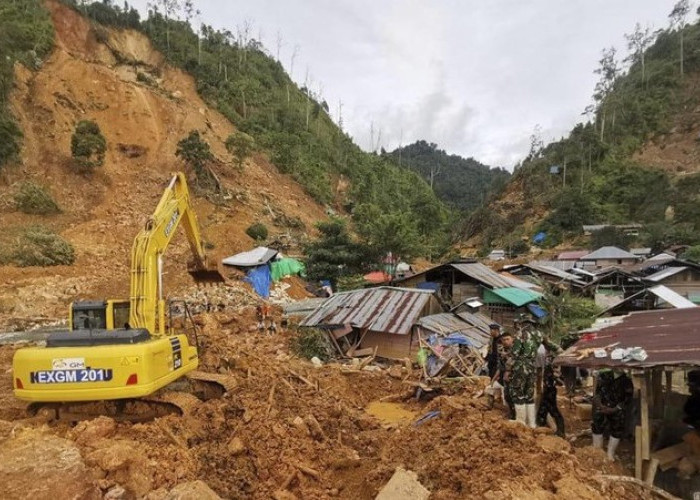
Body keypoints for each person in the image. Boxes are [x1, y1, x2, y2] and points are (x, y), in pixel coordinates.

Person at [507, 318, 544, 427]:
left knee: (518, 392)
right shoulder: (539, 335)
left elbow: (515, 352)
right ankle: (531, 423)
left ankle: (521, 422)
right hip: (531, 366)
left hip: (520, 366)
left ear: (523, 323)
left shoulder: (521, 334)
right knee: (529, 394)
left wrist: (509, 367)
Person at [591, 369, 633, 460]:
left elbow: (627, 399)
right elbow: (597, 393)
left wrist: (614, 409)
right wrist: (601, 406)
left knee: (617, 428)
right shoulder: (604, 375)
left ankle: (610, 453)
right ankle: (597, 451)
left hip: (616, 409)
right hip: (602, 406)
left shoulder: (627, 381)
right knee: (597, 424)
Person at [536, 348, 565, 437]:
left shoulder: (552, 359)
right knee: (542, 411)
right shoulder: (546, 359)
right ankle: (542, 430)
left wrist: (556, 377)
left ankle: (560, 432)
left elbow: (558, 374)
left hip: (550, 390)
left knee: (552, 411)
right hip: (546, 389)